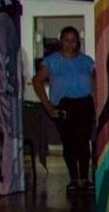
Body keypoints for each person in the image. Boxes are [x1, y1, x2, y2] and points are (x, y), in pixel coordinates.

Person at [33, 26, 95, 195]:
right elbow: (37, 81)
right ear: (61, 41)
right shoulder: (51, 61)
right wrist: (48, 106)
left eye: (73, 40)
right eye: (66, 40)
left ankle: (85, 178)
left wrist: (97, 103)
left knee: (83, 142)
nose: (70, 44)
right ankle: (74, 179)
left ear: (78, 42)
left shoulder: (87, 61)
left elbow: (95, 82)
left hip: (85, 105)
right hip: (64, 106)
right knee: (69, 143)